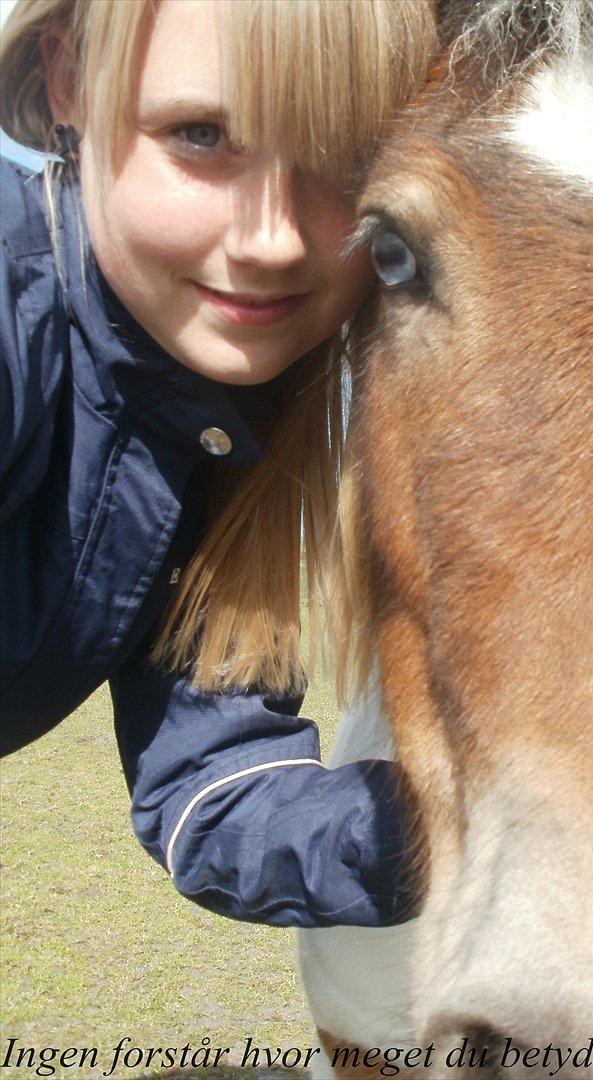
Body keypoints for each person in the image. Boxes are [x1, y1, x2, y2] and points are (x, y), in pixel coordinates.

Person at [0, 0, 437, 927]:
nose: (271, 239)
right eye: (202, 136)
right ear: (67, 80)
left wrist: (468, 820)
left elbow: (215, 782)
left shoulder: (228, 410)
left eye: (350, 157)